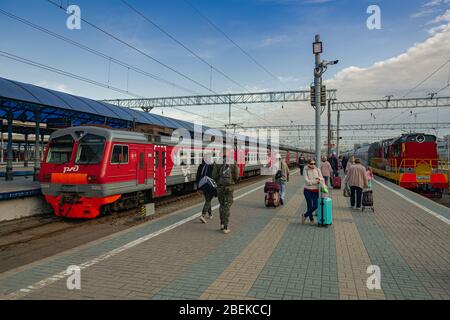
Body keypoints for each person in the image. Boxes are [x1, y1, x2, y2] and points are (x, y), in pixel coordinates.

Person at [212, 151, 240, 234]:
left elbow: (214, 176)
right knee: (227, 206)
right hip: (229, 187)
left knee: (221, 205)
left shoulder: (217, 162)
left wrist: (219, 182)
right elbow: (237, 175)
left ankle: (221, 223)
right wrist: (232, 181)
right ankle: (226, 226)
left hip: (220, 188)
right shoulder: (233, 162)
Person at [302, 159, 324, 225]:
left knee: (315, 205)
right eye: (311, 164)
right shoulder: (305, 170)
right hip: (307, 190)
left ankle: (305, 215)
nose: (313, 165)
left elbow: (322, 178)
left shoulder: (317, 170)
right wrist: (316, 181)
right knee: (309, 205)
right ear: (308, 164)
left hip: (315, 191)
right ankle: (311, 220)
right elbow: (307, 181)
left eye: (314, 163)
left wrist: (319, 179)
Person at [196, 157, 214, 224]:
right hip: (210, 186)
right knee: (208, 200)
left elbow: (197, 177)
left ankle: (210, 214)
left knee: (207, 200)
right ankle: (203, 215)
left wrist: (198, 188)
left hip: (203, 186)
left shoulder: (200, 166)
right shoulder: (212, 166)